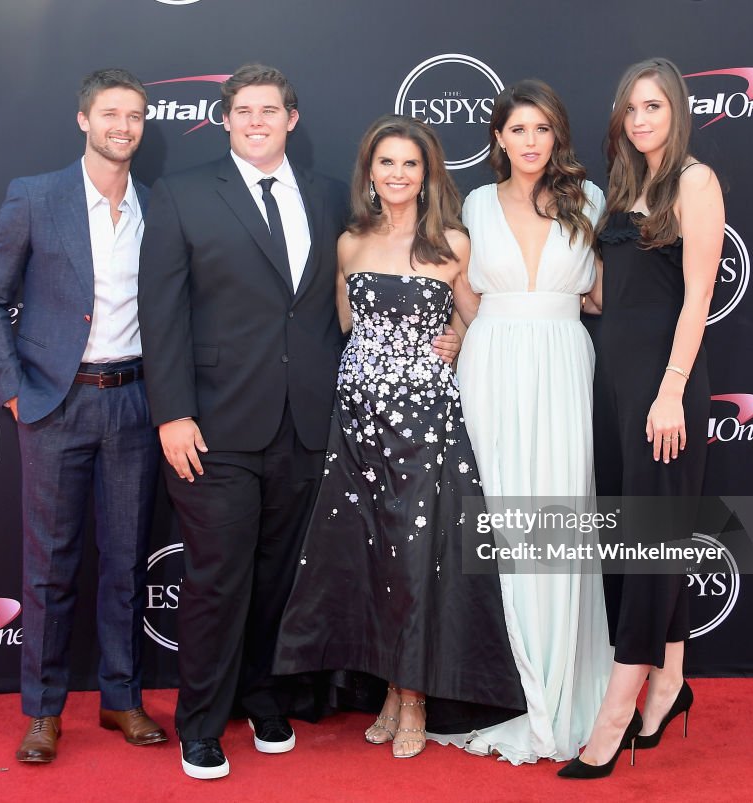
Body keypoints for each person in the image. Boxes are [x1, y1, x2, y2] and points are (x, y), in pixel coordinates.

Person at [137, 66, 460, 780]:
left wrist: (456, 334)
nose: (256, 120)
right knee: (217, 577)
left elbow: (357, 306)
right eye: (243, 110)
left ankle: (262, 695)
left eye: (270, 110)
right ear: (225, 119)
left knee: (279, 577)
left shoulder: (328, 202)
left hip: (309, 425)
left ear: (292, 118)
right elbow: (159, 316)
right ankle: (200, 720)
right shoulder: (182, 193)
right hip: (214, 426)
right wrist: (173, 415)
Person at [273, 114, 526, 760]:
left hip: (425, 424)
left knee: (413, 565)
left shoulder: (452, 244)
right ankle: (389, 687)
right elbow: (345, 324)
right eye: (385, 162)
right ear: (370, 172)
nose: (396, 174)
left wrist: (459, 337)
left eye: (409, 164)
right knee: (372, 559)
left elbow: (484, 322)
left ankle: (414, 695)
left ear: (427, 173)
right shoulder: (351, 242)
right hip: (358, 422)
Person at [0, 68, 167, 764]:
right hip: (55, 402)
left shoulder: (155, 205)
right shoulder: (35, 197)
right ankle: (44, 710)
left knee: (125, 563)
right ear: (83, 119)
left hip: (134, 402)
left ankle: (121, 698)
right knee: (49, 567)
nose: (124, 125)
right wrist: (14, 389)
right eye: (111, 112)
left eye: (136, 115)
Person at [431, 80, 613, 764]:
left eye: (542, 129)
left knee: (557, 518)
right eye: (518, 129)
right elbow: (464, 294)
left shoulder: (589, 200)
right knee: (501, 519)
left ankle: (561, 689)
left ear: (555, 136)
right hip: (492, 367)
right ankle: (503, 687)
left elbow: (595, 296)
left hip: (564, 364)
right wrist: (461, 335)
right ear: (497, 138)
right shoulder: (474, 203)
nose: (530, 141)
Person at [558, 57, 724, 779]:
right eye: (631, 108)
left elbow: (696, 298)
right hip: (613, 385)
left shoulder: (695, 181)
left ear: (676, 110)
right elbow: (605, 299)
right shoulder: (622, 192)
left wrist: (671, 388)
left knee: (648, 547)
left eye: (653, 106)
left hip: (665, 388)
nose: (641, 119)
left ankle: (615, 715)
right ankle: (667, 683)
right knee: (640, 541)